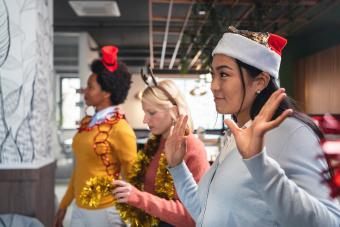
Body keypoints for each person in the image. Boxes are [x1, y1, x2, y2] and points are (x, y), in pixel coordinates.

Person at [165, 26, 340, 227]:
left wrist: (259, 164)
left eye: (224, 74)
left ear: (259, 82)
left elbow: (331, 222)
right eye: (213, 74)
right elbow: (206, 214)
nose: (213, 85)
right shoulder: (241, 131)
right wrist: (178, 168)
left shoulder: (291, 132)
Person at [54, 45, 137, 227]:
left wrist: (137, 217)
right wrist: (64, 204)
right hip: (80, 207)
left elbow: (133, 176)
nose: (85, 91)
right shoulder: (87, 122)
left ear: (106, 93)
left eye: (90, 87)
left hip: (107, 211)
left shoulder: (120, 128)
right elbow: (80, 168)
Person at [112, 78, 210, 227]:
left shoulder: (192, 147)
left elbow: (193, 215)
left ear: (174, 111)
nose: (145, 120)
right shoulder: (153, 144)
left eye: (151, 113)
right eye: (145, 112)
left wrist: (138, 197)